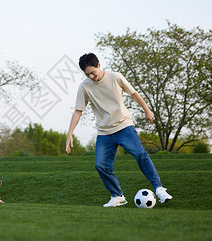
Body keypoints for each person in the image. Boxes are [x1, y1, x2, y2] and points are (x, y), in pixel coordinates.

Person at [66, 53, 172, 207]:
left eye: (93, 72)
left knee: (140, 154)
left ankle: (159, 188)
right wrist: (70, 133)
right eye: (87, 74)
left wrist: (147, 110)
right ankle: (117, 196)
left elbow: (134, 93)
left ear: (99, 65)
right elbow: (78, 111)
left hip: (124, 126)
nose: (91, 77)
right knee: (100, 165)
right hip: (104, 132)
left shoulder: (115, 77)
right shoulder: (84, 87)